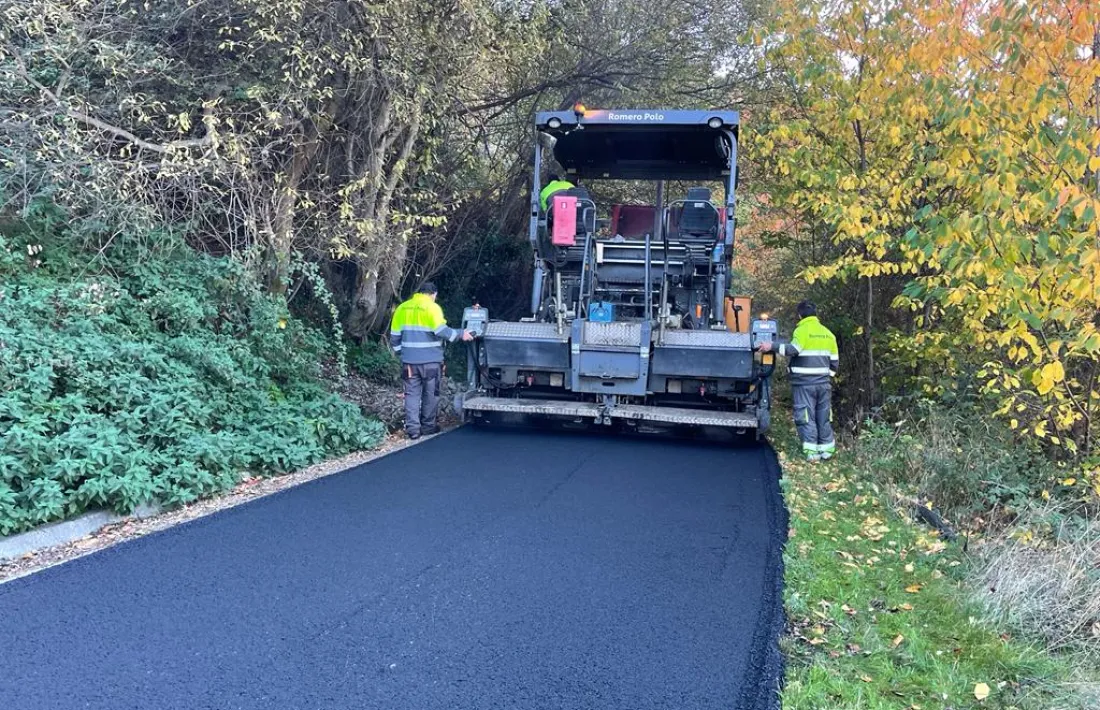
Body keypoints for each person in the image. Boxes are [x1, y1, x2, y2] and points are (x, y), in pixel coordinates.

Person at [389, 282, 473, 439]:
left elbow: (394, 338)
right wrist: (462, 334)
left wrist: (404, 354)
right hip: (431, 362)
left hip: (409, 363)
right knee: (430, 394)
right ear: (433, 294)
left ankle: (413, 430)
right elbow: (441, 331)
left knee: (411, 395)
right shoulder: (432, 308)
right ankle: (428, 427)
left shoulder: (402, 308)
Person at [759, 301, 839, 462]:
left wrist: (772, 346)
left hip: (804, 384)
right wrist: (824, 376)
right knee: (823, 416)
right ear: (815, 314)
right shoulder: (828, 333)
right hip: (823, 384)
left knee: (805, 415)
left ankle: (812, 453)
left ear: (800, 315)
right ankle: (827, 451)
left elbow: (793, 350)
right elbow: (834, 362)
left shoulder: (802, 331)